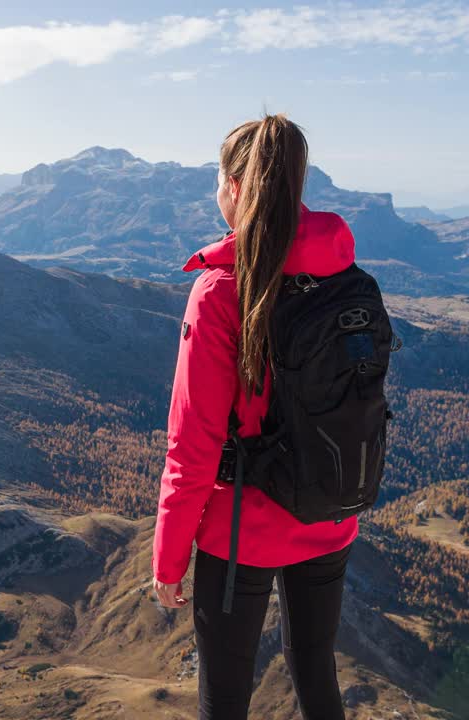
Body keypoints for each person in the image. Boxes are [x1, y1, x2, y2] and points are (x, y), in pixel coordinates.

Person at [151, 113, 358, 720]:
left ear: (236, 188)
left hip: (241, 529)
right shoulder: (341, 269)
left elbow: (192, 445)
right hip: (329, 510)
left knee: (226, 697)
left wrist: (168, 560)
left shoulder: (220, 291)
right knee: (317, 671)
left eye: (218, 181)